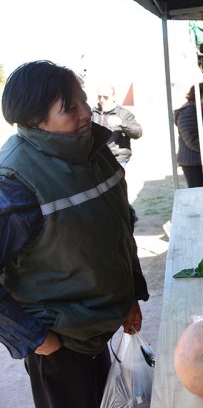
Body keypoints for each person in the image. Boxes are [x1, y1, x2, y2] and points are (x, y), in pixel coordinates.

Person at [0, 60, 148, 408]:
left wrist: (131, 293)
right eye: (70, 109)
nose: (86, 114)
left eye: (84, 101)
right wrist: (35, 338)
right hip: (61, 345)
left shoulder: (93, 152)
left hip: (99, 329)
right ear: (36, 121)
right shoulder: (14, 184)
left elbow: (119, 226)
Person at [175, 82, 203, 188]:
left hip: (200, 159)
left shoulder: (198, 108)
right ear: (196, 94)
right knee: (199, 193)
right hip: (193, 162)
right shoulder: (189, 110)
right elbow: (191, 140)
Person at [90, 84, 143, 166]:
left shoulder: (123, 113)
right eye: (99, 97)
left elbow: (138, 133)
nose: (102, 100)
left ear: (113, 97)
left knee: (114, 179)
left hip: (117, 158)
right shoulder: (92, 113)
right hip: (97, 156)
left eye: (106, 97)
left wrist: (122, 123)